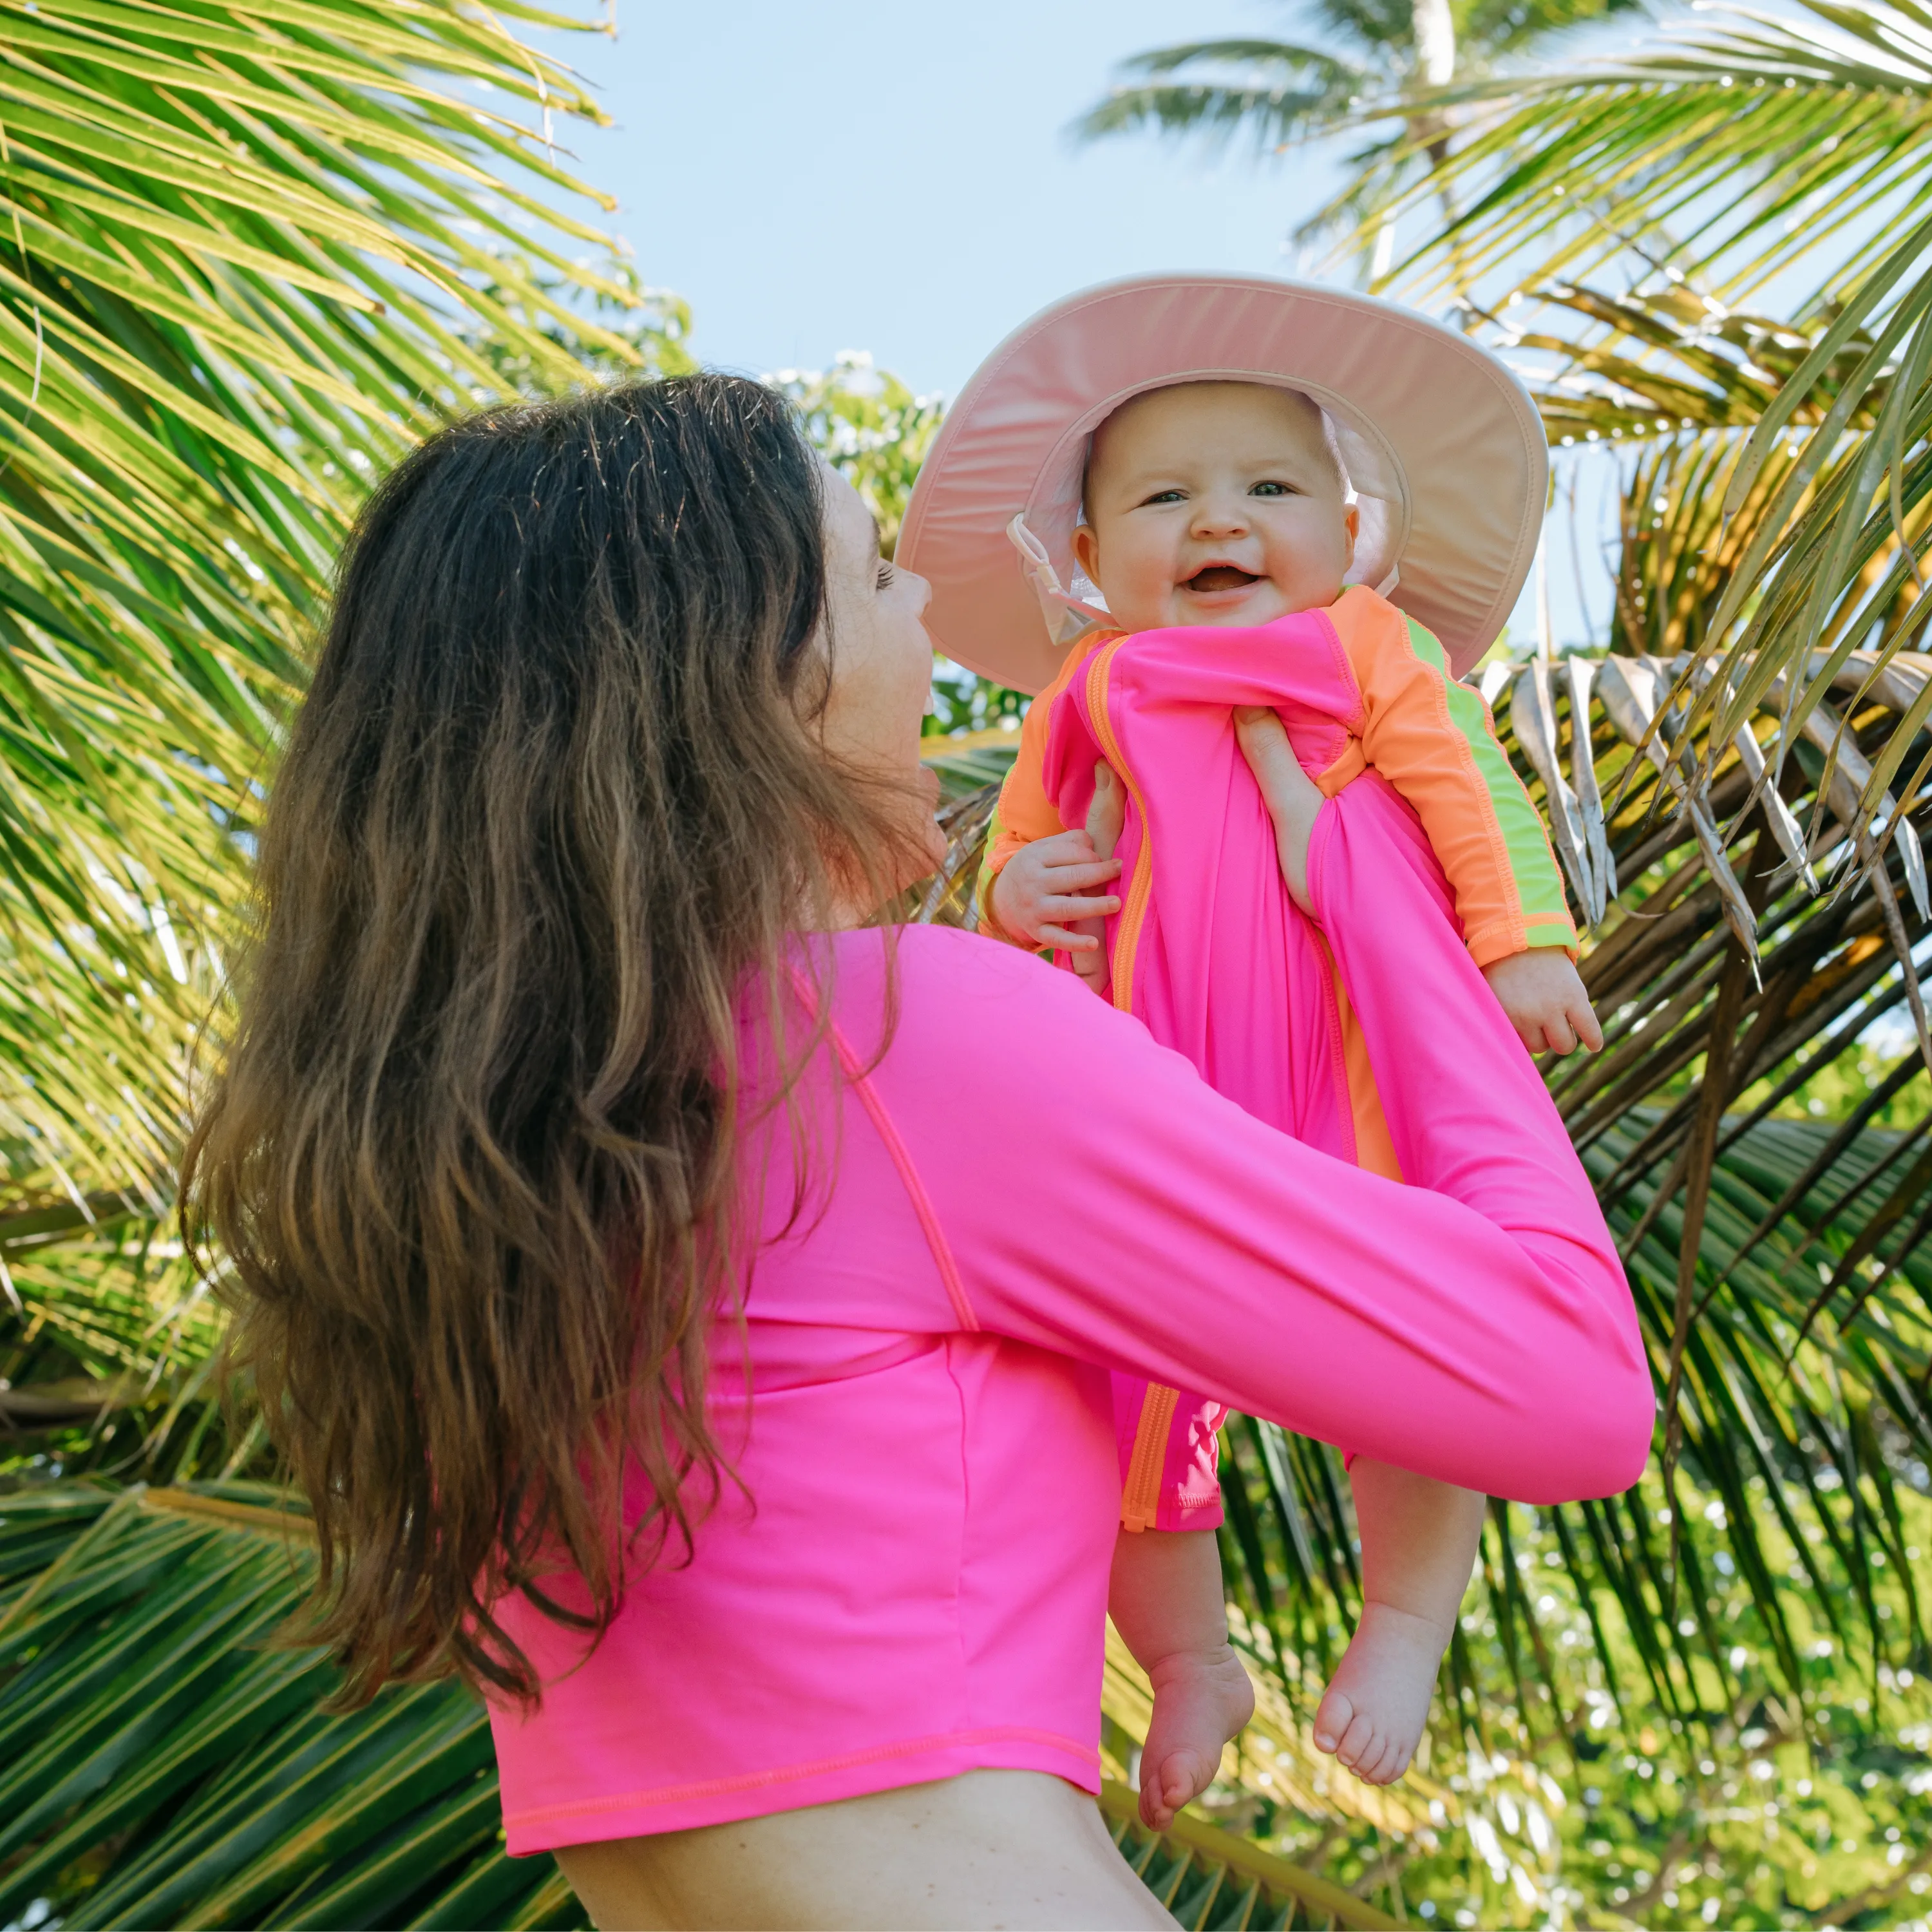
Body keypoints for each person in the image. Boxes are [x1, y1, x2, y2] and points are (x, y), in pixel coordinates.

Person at [184, 373, 1651, 1931]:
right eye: (881, 572)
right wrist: (1391, 910)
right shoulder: (901, 1045)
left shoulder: (488, 1170)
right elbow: (1571, 1388)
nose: (931, 622)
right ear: (767, 677)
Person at [897, 276, 1611, 1826]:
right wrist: (1018, 889)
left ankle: (1407, 1619)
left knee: (1410, 1351)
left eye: (1269, 488)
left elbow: (1464, 786)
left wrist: (1523, 942)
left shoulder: (1362, 645)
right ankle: (1192, 1657)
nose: (1220, 519)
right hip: (1155, 1092)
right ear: (1088, 563)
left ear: (1348, 530)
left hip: (1344, 1070)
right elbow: (1024, 866)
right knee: (1121, 1390)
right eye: (1165, 498)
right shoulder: (1086, 690)